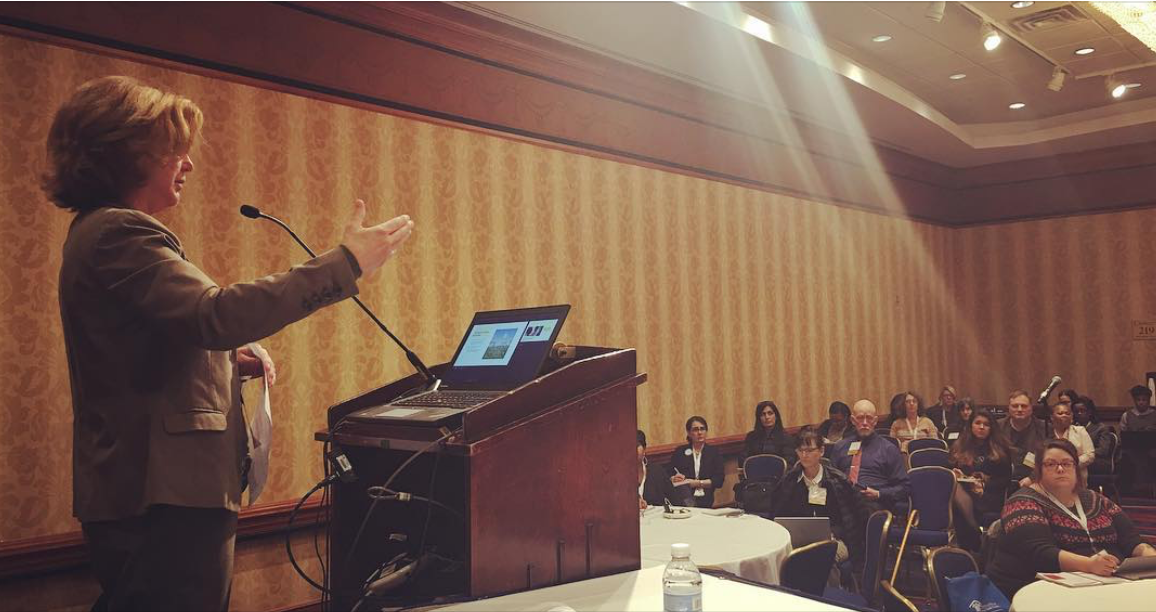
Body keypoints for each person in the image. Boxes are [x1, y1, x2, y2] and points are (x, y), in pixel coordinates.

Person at [46, 76, 415, 611]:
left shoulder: (101, 232)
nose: (189, 163)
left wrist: (222, 359)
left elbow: (156, 345)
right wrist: (346, 263)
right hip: (163, 497)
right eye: (176, 149)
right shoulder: (119, 232)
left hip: (154, 492)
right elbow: (214, 314)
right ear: (126, 152)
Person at [987, 439, 1156, 598]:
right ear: (1038, 469)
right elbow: (1041, 554)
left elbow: (1132, 540)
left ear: (1076, 467)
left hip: (1105, 582)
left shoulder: (1096, 499)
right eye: (1051, 464)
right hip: (1039, 588)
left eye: (1067, 463)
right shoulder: (1021, 502)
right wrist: (1089, 565)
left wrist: (1149, 556)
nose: (1060, 469)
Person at [770, 427, 868, 588]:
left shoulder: (837, 481)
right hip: (799, 541)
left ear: (821, 451)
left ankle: (830, 599)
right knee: (790, 558)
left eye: (809, 450)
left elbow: (856, 518)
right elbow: (777, 514)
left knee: (822, 557)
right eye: (800, 451)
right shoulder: (789, 481)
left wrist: (836, 533)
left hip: (835, 540)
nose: (804, 455)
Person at [947, 409, 1012, 550]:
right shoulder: (960, 446)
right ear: (971, 426)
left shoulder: (1000, 449)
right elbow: (949, 469)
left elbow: (1005, 480)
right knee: (955, 491)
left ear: (991, 428)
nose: (981, 427)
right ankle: (974, 531)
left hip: (989, 495)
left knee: (956, 502)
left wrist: (983, 486)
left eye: (986, 424)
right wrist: (956, 473)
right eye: (978, 423)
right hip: (964, 491)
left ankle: (971, 536)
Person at [831, 400, 910, 514]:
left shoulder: (888, 449)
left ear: (875, 421)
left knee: (860, 509)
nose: (864, 422)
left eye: (869, 418)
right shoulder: (840, 447)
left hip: (874, 504)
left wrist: (879, 494)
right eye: (860, 418)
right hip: (844, 501)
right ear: (853, 420)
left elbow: (904, 487)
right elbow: (831, 478)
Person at [669, 416, 725, 508]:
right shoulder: (680, 452)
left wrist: (697, 483)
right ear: (689, 433)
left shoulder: (714, 452)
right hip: (684, 498)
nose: (699, 432)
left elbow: (719, 481)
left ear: (706, 431)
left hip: (706, 498)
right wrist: (674, 478)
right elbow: (669, 473)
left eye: (702, 429)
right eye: (695, 429)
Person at [998, 389, 1047, 488]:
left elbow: (1050, 459)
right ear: (1009, 408)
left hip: (1036, 482)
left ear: (1031, 408)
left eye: (1024, 406)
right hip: (1002, 482)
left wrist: (1032, 478)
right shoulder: (997, 427)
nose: (1019, 409)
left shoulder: (1045, 428)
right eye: (1015, 406)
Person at [1119, 384, 1156, 493]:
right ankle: (1129, 490)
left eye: (1144, 400)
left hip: (1152, 449)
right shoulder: (1127, 415)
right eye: (1138, 400)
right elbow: (1123, 433)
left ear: (1149, 401)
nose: (1141, 402)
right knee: (1126, 459)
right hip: (1132, 449)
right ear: (1134, 401)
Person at [1048, 401, 1095, 481]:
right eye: (1060, 413)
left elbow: (1090, 455)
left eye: (1067, 413)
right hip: (1050, 476)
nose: (1064, 415)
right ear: (1052, 417)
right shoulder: (1046, 432)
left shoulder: (1080, 431)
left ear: (1072, 417)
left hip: (1077, 476)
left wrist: (1070, 464)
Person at [1071, 396, 1113, 475]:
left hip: (1097, 461)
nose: (1079, 413)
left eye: (1082, 411)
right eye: (1076, 411)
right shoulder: (1071, 428)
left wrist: (1084, 454)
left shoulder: (1101, 428)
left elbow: (1103, 450)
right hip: (1076, 460)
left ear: (1089, 412)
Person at [637, 430, 678, 509]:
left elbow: (676, 501)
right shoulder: (618, 476)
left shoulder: (657, 471)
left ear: (644, 449)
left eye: (637, 445)